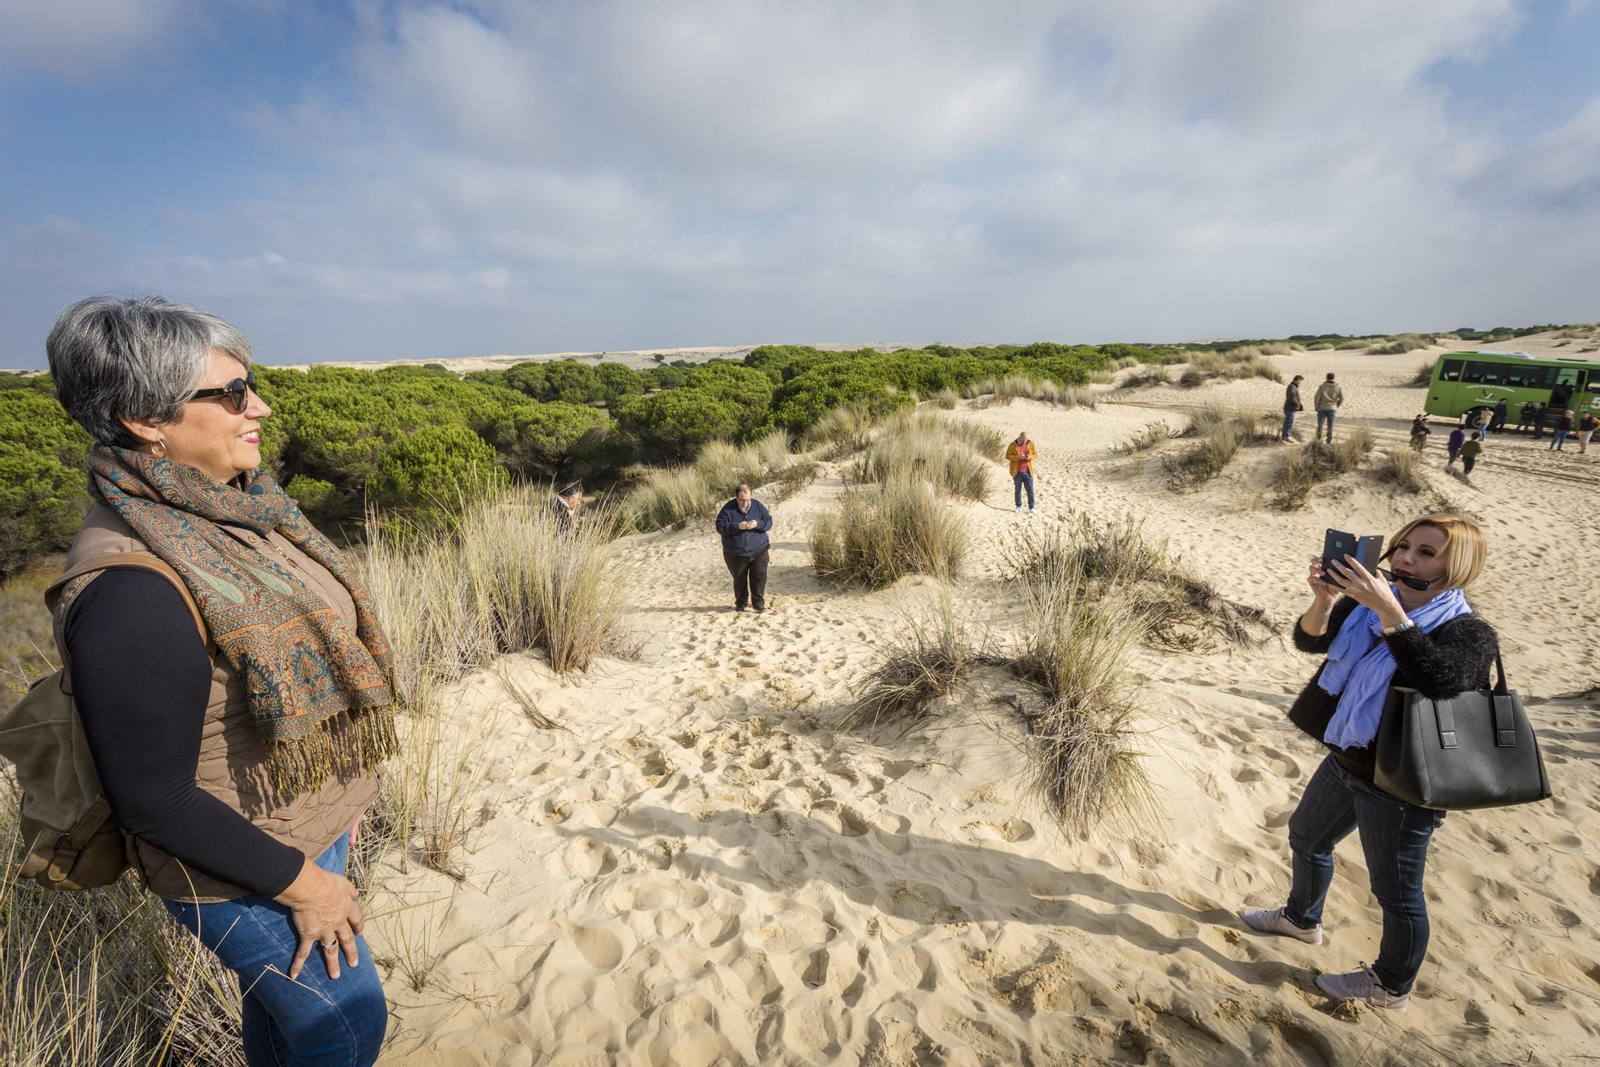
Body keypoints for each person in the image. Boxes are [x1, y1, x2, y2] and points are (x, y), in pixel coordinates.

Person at [43, 296, 393, 1066]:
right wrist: (309, 883)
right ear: (144, 417)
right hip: (238, 865)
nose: (258, 405)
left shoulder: (232, 513)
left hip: (299, 832)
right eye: (231, 392)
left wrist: (334, 807)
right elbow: (152, 798)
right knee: (345, 1021)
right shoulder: (130, 587)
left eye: (251, 382)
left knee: (285, 1023)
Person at [1240, 514, 1497, 1013]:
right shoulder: (1367, 608)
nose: (1405, 558)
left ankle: (1390, 986)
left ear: (1457, 565)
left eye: (1426, 552)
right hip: (1349, 759)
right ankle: (1300, 920)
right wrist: (1325, 599)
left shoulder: (1470, 632)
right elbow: (1311, 640)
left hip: (1404, 782)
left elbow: (1439, 678)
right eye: (1403, 546)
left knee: (1396, 891)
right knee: (1307, 837)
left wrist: (1388, 611)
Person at [715, 483, 772, 613]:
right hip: (735, 553)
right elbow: (720, 527)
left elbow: (768, 522)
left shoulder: (758, 506)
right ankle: (741, 603)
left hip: (759, 550)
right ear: (736, 497)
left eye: (747, 500)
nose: (745, 503)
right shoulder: (727, 509)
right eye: (742, 501)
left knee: (759, 577)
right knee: (739, 580)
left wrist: (757, 524)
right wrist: (737, 526)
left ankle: (758, 603)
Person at [1006, 431, 1038, 513]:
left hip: (1028, 471)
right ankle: (1018, 506)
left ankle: (1032, 507)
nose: (1024, 441)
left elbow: (1035, 454)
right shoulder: (1013, 445)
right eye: (1023, 439)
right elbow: (1008, 456)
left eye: (1026, 439)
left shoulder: (1030, 444)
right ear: (1019, 437)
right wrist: (1018, 457)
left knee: (1030, 490)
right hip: (1017, 472)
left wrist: (1030, 457)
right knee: (1017, 490)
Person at [1313, 373, 1343, 444]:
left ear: (1326, 377)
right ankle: (1328, 441)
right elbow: (1342, 398)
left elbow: (1317, 397)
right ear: (1333, 378)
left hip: (1322, 408)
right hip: (1332, 408)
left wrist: (1316, 407)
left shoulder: (1322, 387)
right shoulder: (1338, 387)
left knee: (1320, 425)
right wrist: (1336, 405)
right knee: (1330, 426)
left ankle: (1318, 439)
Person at [1283, 375, 1305, 441]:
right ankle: (1286, 436)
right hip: (1290, 407)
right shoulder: (1292, 387)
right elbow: (1292, 397)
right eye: (1300, 380)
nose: (1300, 382)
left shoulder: (1293, 386)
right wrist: (1297, 403)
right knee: (1288, 422)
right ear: (1298, 380)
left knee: (1289, 422)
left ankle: (1286, 435)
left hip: (1291, 407)